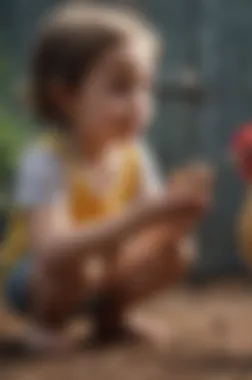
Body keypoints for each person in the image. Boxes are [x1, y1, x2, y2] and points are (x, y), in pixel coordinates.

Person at [1, 4, 212, 353]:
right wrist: (139, 218)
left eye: (146, 88)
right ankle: (45, 324)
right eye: (121, 87)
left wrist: (174, 220)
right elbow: (51, 250)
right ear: (66, 97)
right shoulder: (47, 161)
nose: (140, 103)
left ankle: (112, 318)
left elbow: (148, 234)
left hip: (102, 270)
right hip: (39, 280)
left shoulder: (135, 157)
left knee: (177, 252)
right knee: (76, 264)